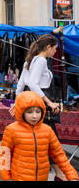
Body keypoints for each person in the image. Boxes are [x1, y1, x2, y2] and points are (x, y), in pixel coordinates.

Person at [14, 34, 67, 180]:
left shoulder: (30, 60)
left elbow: (20, 85)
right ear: (48, 47)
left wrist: (17, 104)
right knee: (51, 142)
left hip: (31, 105)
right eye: (55, 49)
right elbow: (32, 83)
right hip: (40, 106)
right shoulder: (42, 61)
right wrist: (49, 103)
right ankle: (60, 174)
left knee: (43, 142)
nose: (55, 52)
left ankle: (58, 174)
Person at [0, 91, 78, 181]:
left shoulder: (47, 130)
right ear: (21, 111)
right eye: (29, 112)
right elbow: (4, 154)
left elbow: (59, 154)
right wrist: (5, 176)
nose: (34, 116)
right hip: (20, 177)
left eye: (38, 111)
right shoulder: (12, 129)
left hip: (42, 177)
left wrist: (71, 175)